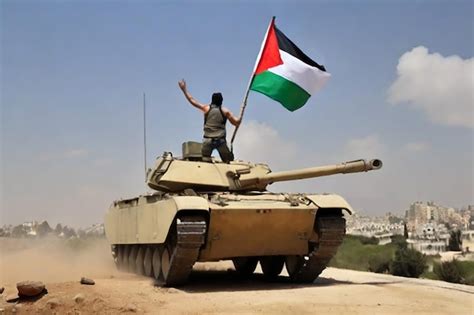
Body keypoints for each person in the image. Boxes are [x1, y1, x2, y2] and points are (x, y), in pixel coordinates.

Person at [178, 79, 241, 163]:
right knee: (228, 161)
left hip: (207, 140)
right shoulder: (225, 111)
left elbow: (192, 100)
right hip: (220, 141)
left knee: (205, 161)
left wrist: (184, 90)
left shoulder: (206, 109)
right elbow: (235, 123)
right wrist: (239, 120)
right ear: (221, 101)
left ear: (212, 100)